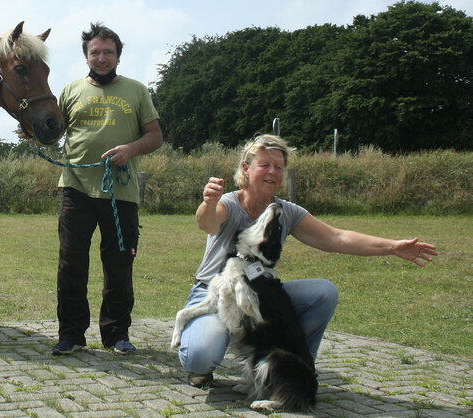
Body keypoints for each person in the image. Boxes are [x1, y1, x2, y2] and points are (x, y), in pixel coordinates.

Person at [177, 134, 438, 387]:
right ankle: (202, 369)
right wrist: (209, 203)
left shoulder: (287, 211)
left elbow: (337, 237)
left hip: (257, 296)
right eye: (265, 165)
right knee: (200, 356)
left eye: (279, 167)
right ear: (246, 169)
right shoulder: (229, 203)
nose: (272, 172)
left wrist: (392, 247)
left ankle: (297, 365)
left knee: (323, 293)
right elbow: (208, 223)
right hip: (214, 294)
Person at [49, 22, 164, 356]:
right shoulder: (69, 91)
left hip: (120, 193)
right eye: (95, 52)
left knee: (118, 264)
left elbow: (155, 135)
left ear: (118, 56)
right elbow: (53, 131)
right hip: (76, 189)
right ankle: (70, 334)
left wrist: (131, 149)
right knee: (71, 263)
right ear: (86, 56)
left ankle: (116, 335)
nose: (101, 58)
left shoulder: (137, 91)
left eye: (108, 52)